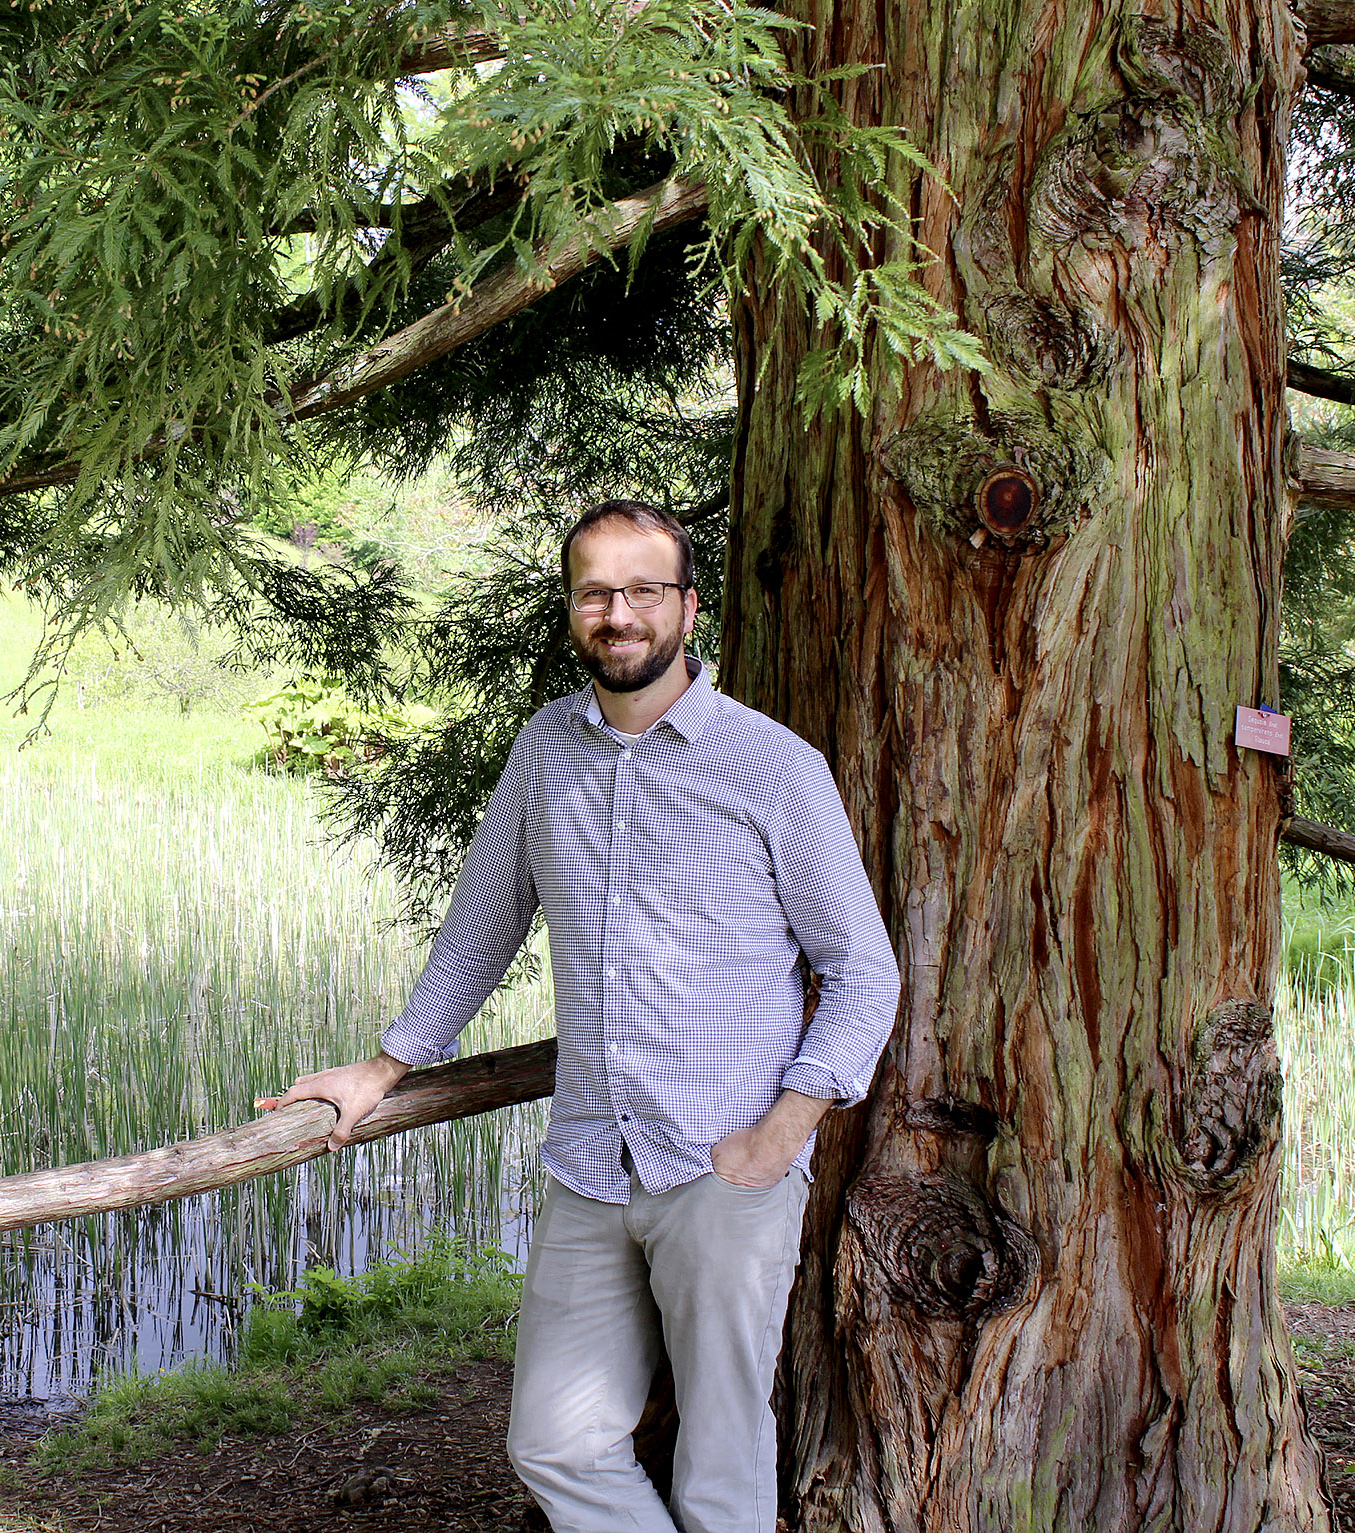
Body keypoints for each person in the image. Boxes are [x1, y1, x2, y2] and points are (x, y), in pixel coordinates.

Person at [256, 500, 900, 1533]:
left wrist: (778, 1137)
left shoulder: (773, 766)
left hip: (724, 1167)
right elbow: (478, 932)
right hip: (590, 1164)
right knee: (552, 1444)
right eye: (595, 591)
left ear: (687, 608)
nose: (619, 613)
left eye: (643, 590)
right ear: (571, 609)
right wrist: (382, 1068)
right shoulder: (543, 751)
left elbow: (861, 972)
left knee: (722, 1464)